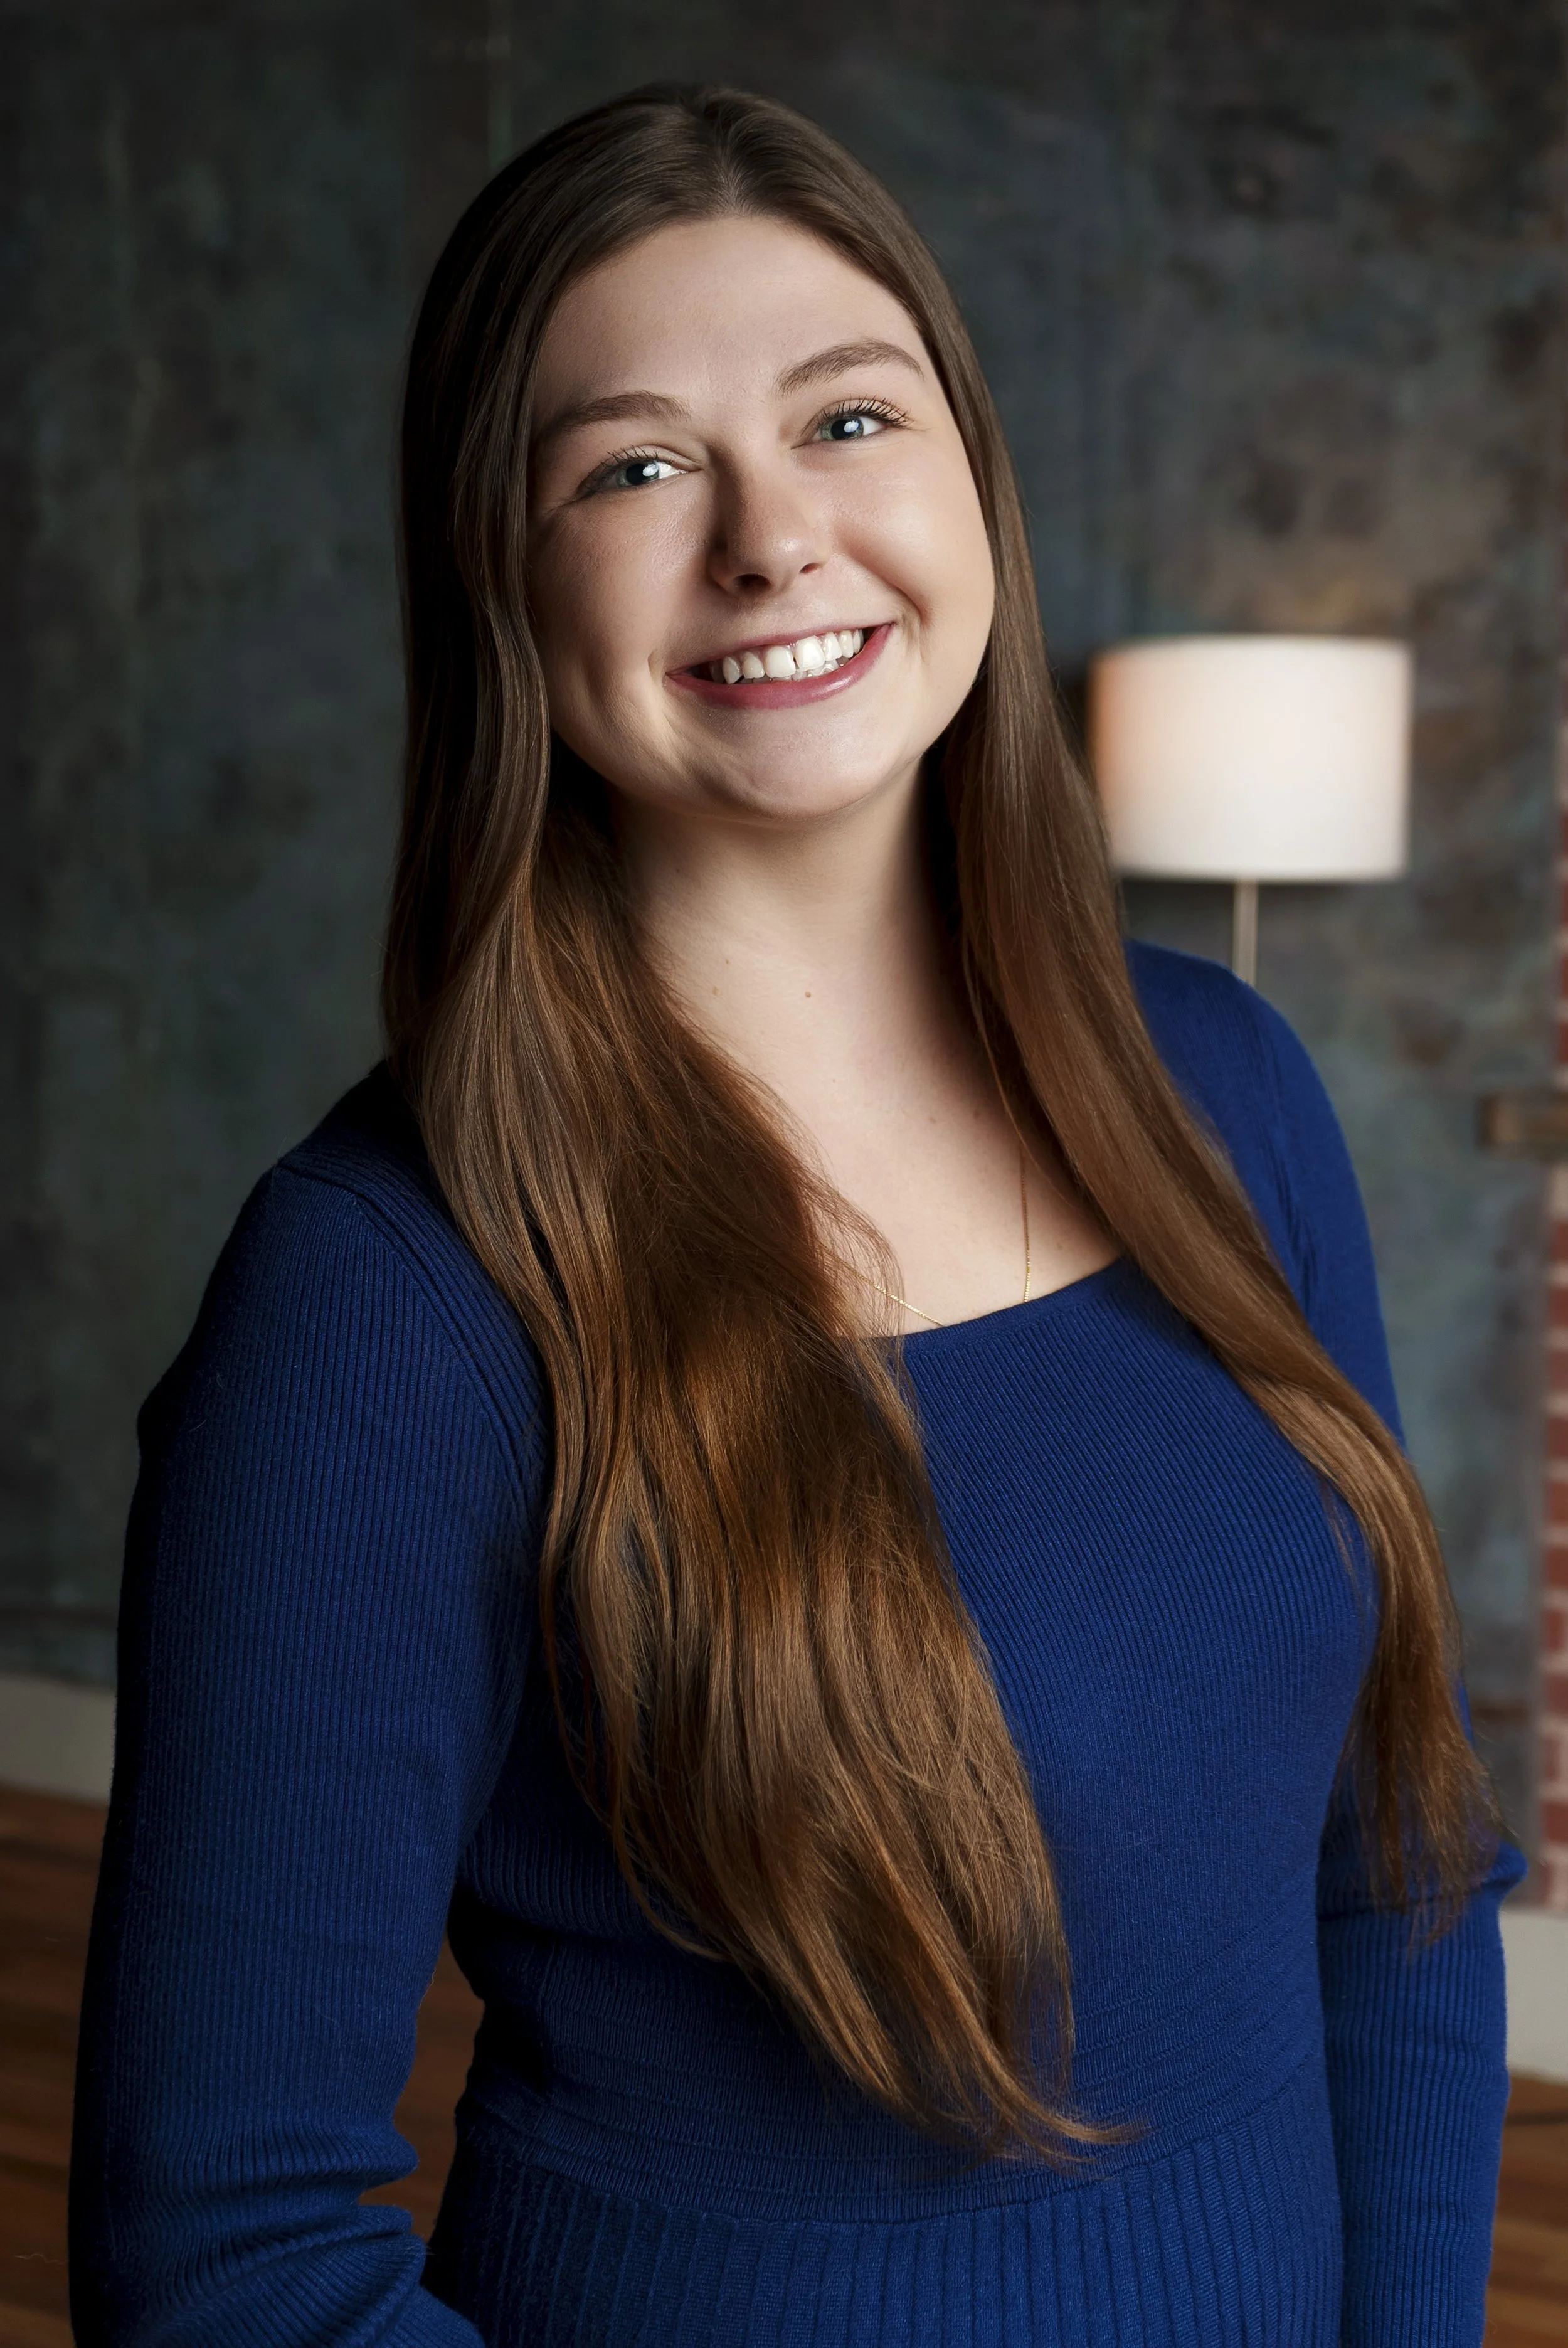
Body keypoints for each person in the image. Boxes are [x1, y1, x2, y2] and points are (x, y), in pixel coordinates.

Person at [70, 83, 1522, 2348]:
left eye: (849, 417)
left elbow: (1400, 1862)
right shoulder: (385, 1297)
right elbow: (233, 2258)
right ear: (501, 579)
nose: (771, 538)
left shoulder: (1220, 1083)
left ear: (971, 482)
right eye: (633, 467)